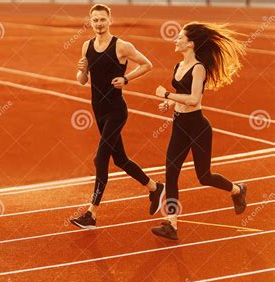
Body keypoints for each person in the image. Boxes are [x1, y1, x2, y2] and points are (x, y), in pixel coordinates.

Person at [70, 4, 164, 230]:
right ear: (90, 22)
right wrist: (82, 69)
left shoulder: (121, 46)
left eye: (102, 19)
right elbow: (82, 81)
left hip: (116, 110)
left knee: (100, 159)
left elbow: (147, 64)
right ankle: (155, 188)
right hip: (98, 111)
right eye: (95, 20)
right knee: (120, 159)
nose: (99, 24)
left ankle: (92, 214)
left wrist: (127, 79)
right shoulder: (87, 46)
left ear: (110, 20)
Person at [152, 22, 247, 240]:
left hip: (198, 127)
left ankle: (237, 190)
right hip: (179, 125)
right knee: (171, 172)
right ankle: (171, 224)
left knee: (204, 176)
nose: (175, 40)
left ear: (191, 43)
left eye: (179, 37)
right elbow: (182, 95)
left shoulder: (198, 68)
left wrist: (167, 95)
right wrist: (171, 104)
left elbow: (194, 100)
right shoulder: (178, 66)